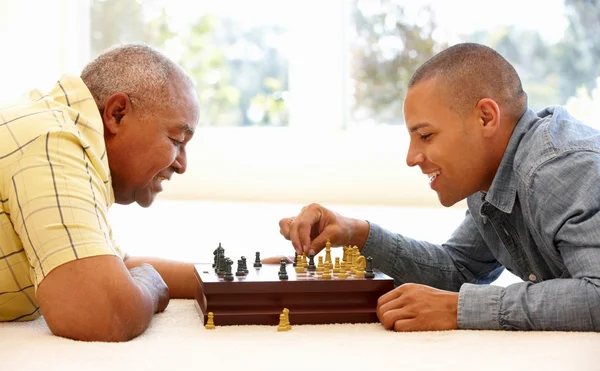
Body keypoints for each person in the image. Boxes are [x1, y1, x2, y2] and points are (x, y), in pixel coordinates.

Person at [270, 43, 600, 332]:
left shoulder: (557, 167)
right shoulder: (491, 177)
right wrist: (356, 233)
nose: (411, 158)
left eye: (426, 135)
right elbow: (459, 269)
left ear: (485, 118)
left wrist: (459, 308)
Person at [0, 43, 202, 341]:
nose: (182, 165)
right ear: (117, 113)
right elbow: (103, 312)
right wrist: (149, 283)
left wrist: (233, 275)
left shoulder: (61, 129)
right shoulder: (52, 141)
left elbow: (111, 266)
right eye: (176, 139)